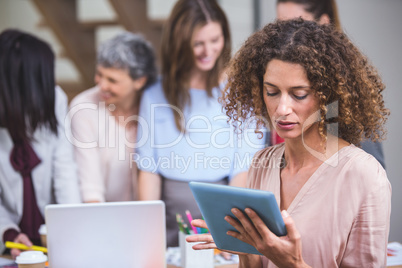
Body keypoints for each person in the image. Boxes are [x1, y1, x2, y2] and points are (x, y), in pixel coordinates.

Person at [188, 19, 391, 267]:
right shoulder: (262, 162)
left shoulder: (364, 175)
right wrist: (242, 246)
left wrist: (293, 264)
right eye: (272, 92)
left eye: (299, 94)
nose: (282, 109)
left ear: (327, 96)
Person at [136, 0, 266, 247]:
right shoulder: (154, 94)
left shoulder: (241, 91)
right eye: (198, 43)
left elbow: (243, 167)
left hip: (224, 207)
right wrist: (148, 232)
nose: (208, 51)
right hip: (169, 213)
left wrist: (231, 227)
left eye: (215, 40)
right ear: (179, 44)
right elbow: (148, 169)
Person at [273, 0, 386, 168]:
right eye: (281, 26)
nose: (288, 35)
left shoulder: (345, 92)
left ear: (324, 23)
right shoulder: (273, 80)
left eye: (297, 25)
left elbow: (370, 176)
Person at [0, 29, 81, 258]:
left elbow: (65, 170)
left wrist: (75, 228)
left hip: (52, 232)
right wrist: (7, 232)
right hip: (11, 242)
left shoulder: (54, 99)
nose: (50, 86)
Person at [69, 32, 157, 203]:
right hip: (101, 214)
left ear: (139, 81)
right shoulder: (83, 108)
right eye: (99, 74)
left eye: (112, 80)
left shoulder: (155, 106)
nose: (102, 85)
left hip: (146, 215)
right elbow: (90, 188)